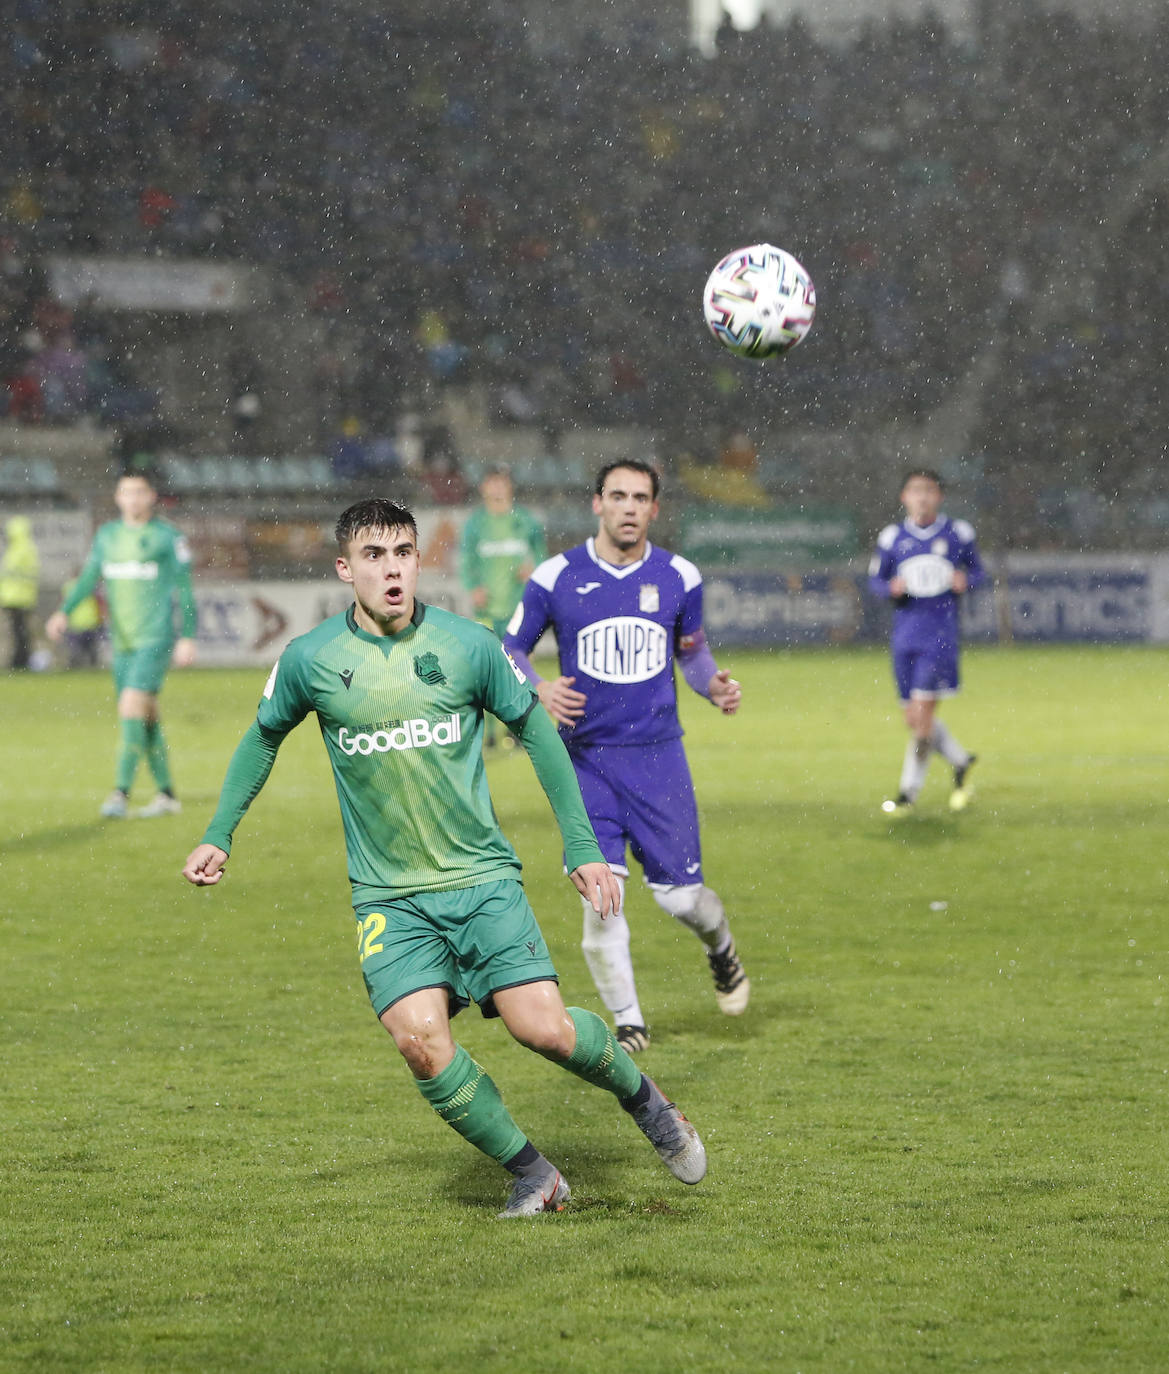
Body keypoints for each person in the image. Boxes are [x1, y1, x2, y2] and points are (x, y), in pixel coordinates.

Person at [180, 497, 706, 1218]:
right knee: (419, 1042)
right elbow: (263, 736)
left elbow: (538, 733)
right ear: (345, 569)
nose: (392, 570)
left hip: (481, 881)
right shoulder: (310, 660)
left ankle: (647, 1102)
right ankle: (533, 1174)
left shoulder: (468, 645)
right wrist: (219, 832)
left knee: (543, 1031)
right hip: (387, 897)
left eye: (402, 553)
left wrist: (580, 845)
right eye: (374, 556)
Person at [503, 460, 748, 1056]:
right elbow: (509, 646)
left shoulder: (679, 576)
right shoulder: (556, 576)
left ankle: (721, 948)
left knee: (682, 900)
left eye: (641, 497)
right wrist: (536, 687)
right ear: (597, 504)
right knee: (600, 897)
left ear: (655, 509)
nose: (630, 507)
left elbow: (690, 651)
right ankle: (629, 1021)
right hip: (584, 762)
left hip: (659, 760)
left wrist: (711, 682)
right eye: (619, 495)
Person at [46, 471, 197, 818]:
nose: (132, 498)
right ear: (117, 498)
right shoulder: (108, 536)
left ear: (151, 497)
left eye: (139, 492)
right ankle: (167, 795)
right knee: (145, 717)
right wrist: (63, 611)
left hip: (155, 637)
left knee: (130, 707)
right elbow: (88, 577)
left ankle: (120, 793)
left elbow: (185, 589)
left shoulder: (167, 537)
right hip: (123, 642)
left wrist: (188, 634)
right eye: (126, 492)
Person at [868, 469, 987, 815]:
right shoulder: (892, 537)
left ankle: (908, 793)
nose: (922, 497)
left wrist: (966, 580)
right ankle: (961, 761)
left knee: (921, 719)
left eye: (928, 490)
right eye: (915, 490)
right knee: (914, 720)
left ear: (939, 497)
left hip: (940, 637)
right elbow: (875, 580)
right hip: (904, 637)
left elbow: (978, 572)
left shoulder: (958, 533)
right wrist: (889, 588)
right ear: (904, 497)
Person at [458, 465, 546, 747]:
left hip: (520, 606)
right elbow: (466, 560)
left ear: (509, 486)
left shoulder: (525, 520)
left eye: (501, 483)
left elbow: (541, 554)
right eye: (491, 483)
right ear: (484, 488)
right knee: (487, 670)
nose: (496, 488)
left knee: (520, 668)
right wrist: (474, 588)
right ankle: (491, 734)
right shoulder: (475, 524)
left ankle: (520, 729)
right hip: (488, 607)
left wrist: (534, 568)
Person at [0, 514, 40, 670]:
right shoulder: (26, 547)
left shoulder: (20, 549)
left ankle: (20, 662)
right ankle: (21, 660)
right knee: (20, 632)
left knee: (18, 633)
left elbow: (11, 573)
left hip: (16, 598)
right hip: (21, 597)